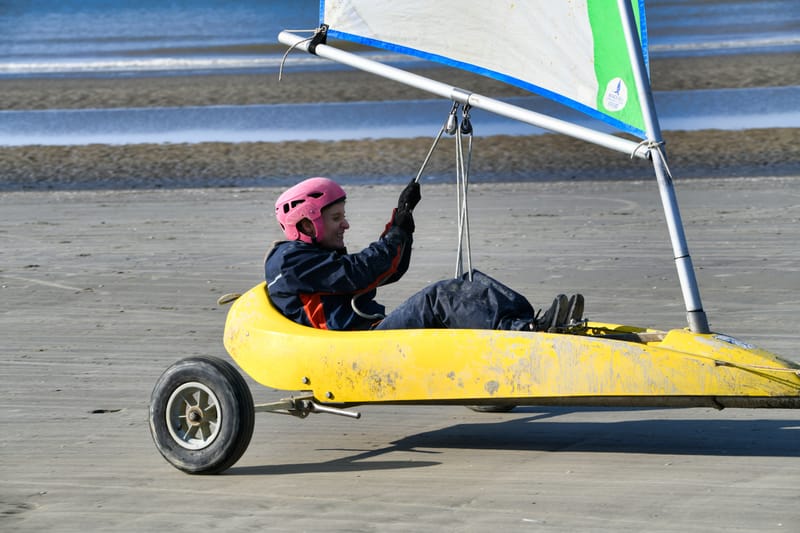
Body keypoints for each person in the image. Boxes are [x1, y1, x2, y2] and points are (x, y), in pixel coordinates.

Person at [265, 176, 583, 332]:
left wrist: (403, 219)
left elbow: (387, 271)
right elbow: (359, 271)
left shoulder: (311, 258)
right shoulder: (290, 262)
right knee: (439, 296)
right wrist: (396, 232)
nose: (345, 224)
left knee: (470, 282)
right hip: (354, 345)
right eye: (336, 218)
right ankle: (524, 333)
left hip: (368, 334)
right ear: (306, 224)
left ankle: (527, 323)